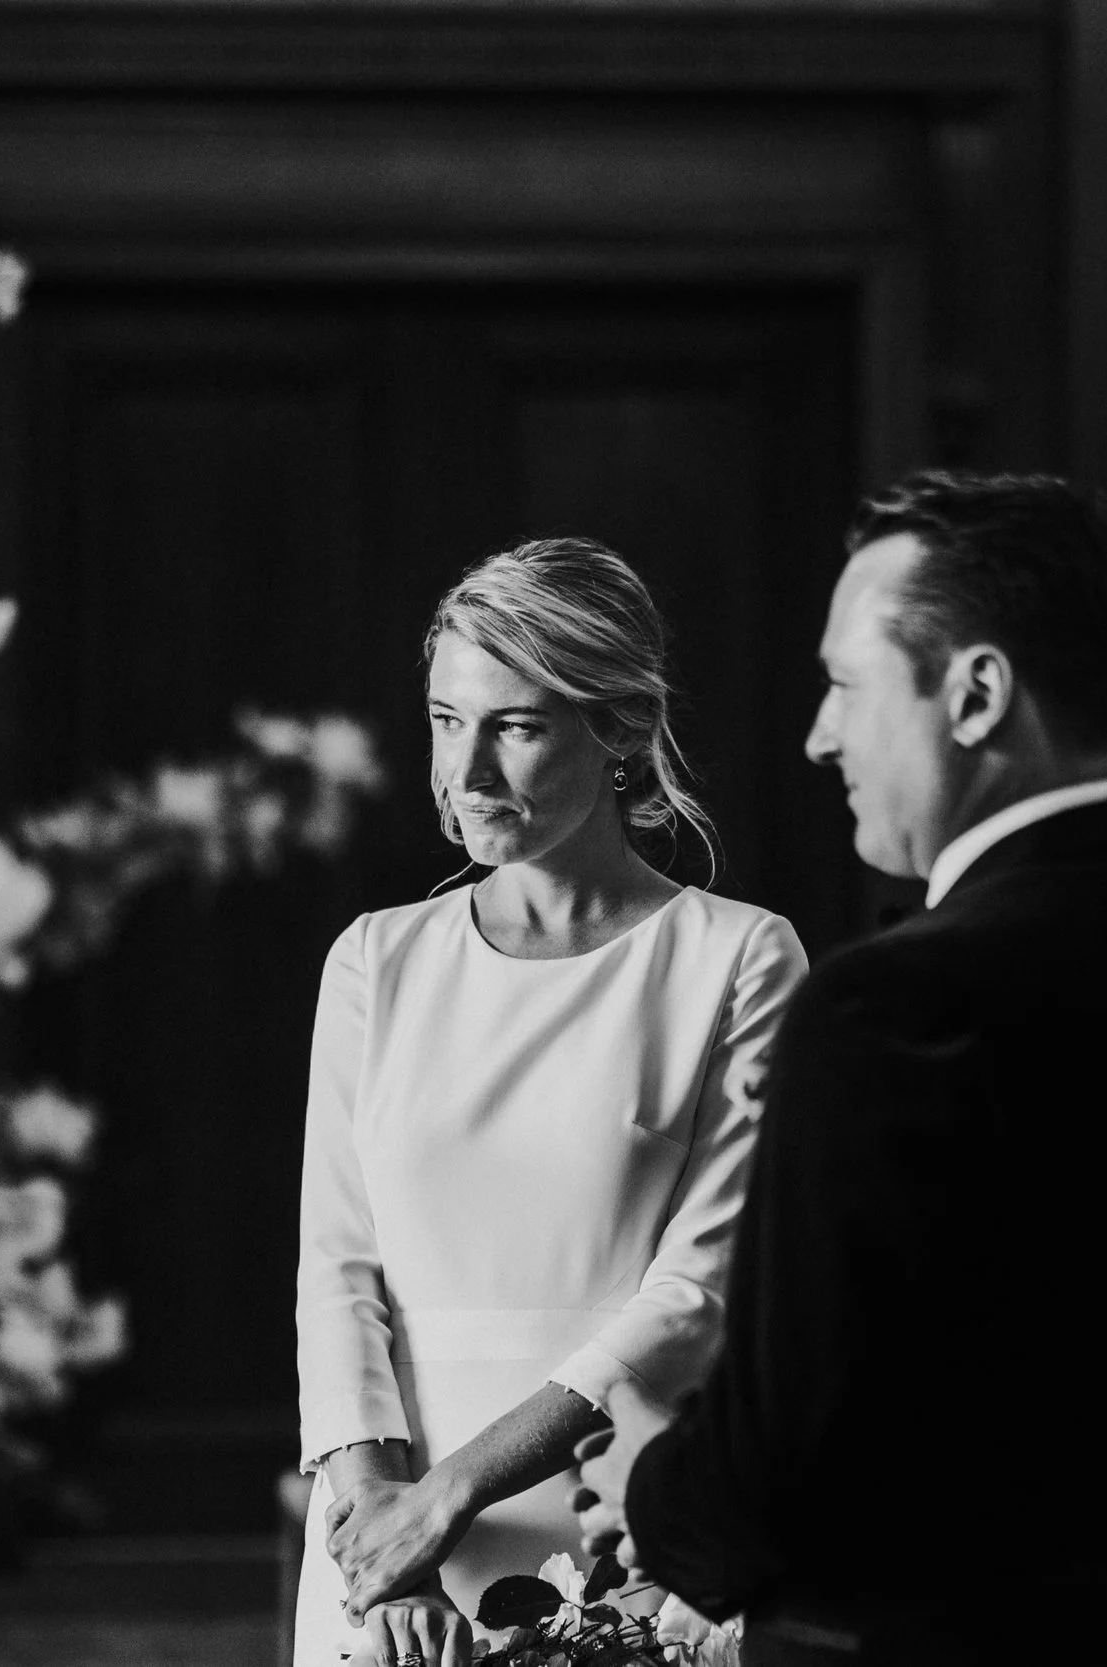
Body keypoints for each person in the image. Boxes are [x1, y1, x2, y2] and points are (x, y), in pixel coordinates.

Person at [570, 468, 1107, 1666]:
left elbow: (792, 1445)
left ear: (973, 693)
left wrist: (649, 1480)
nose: (820, 736)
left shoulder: (888, 1001)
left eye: (844, 685)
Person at [290, 538, 808, 1667]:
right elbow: (336, 1272)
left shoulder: (740, 957)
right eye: (442, 719)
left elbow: (700, 1288)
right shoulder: (374, 960)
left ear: (619, 729)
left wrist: (454, 1494)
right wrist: (390, 1536)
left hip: (619, 1522)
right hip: (383, 1554)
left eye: (514, 726)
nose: (464, 770)